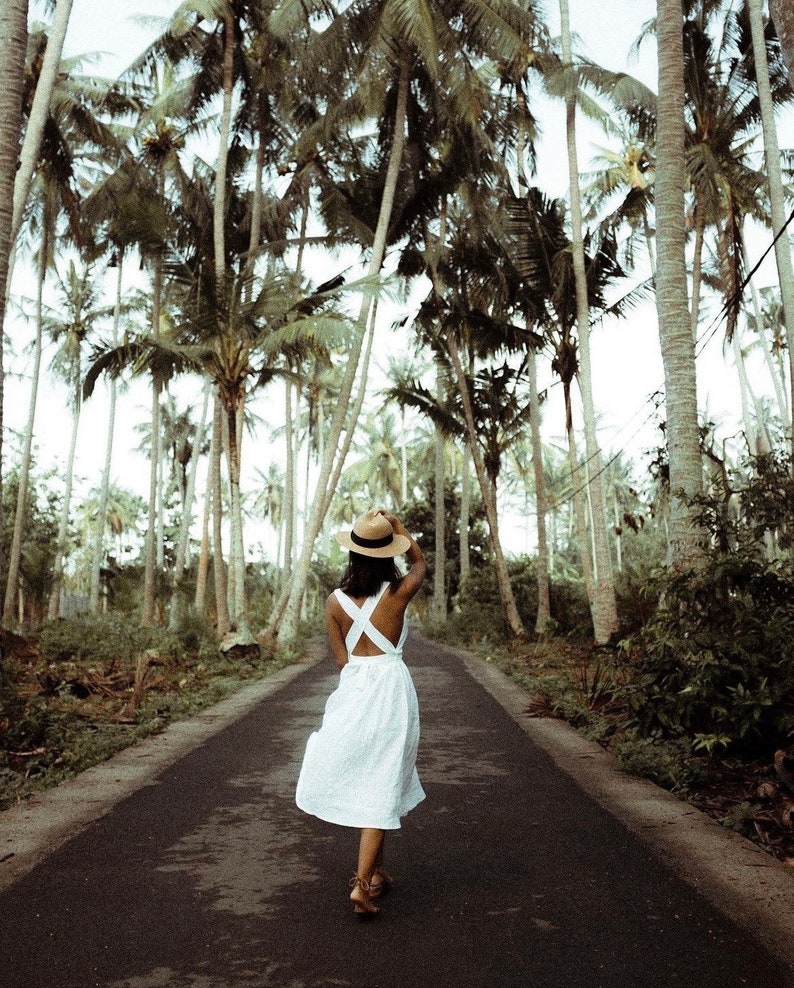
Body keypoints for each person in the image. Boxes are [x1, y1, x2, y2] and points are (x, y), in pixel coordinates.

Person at [295, 508, 427, 917]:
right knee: (384, 778)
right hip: (391, 690)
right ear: (388, 554)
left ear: (352, 555)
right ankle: (360, 888)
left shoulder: (334, 602)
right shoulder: (399, 592)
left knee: (375, 775)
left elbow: (341, 659)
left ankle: (376, 874)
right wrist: (402, 531)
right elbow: (421, 563)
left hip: (354, 690)